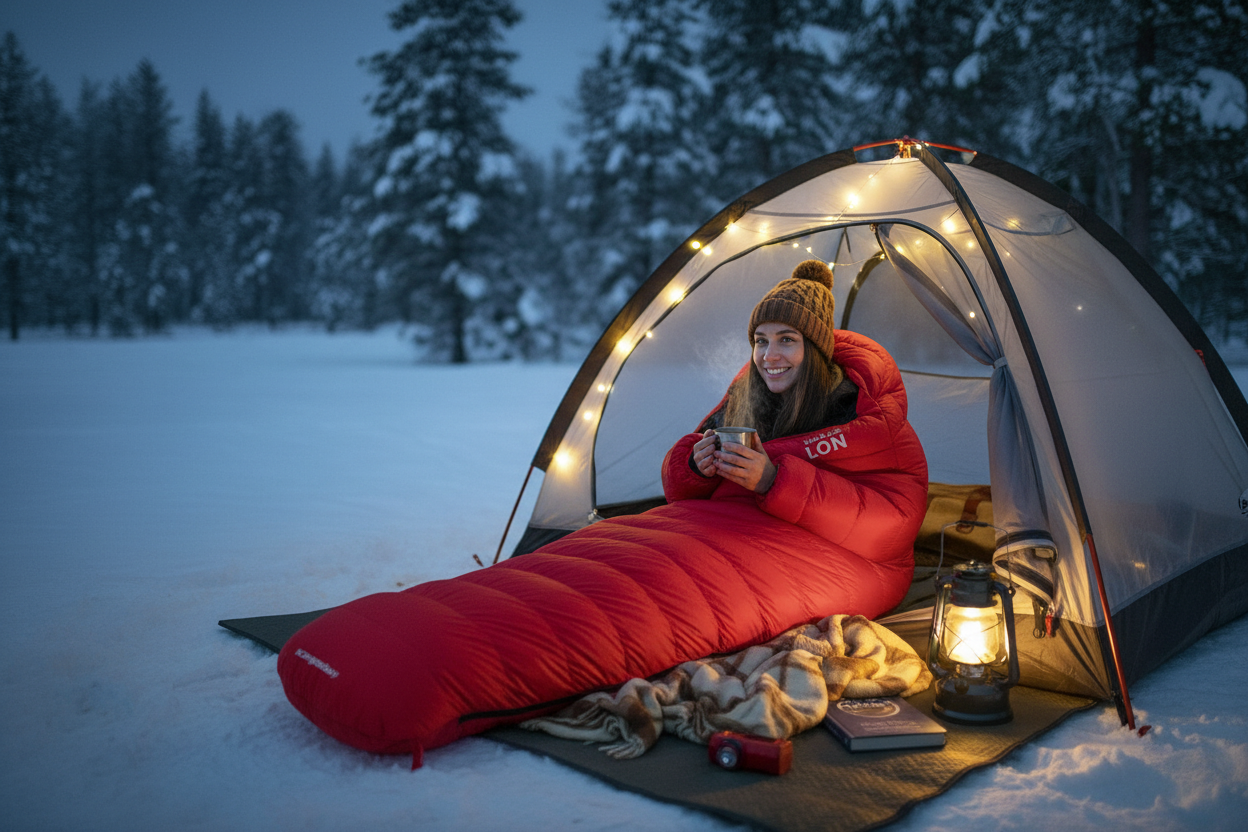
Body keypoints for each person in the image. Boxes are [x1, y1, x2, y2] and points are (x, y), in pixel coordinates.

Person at [278, 259, 929, 764]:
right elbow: (679, 486)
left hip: (832, 553)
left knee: (628, 607)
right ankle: (402, 639)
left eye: (786, 340)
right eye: (760, 340)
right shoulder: (751, 394)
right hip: (710, 528)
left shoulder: (869, 421)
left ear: (816, 348)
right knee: (566, 576)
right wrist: (698, 461)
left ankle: (426, 683)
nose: (769, 355)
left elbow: (892, 525)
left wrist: (775, 479)